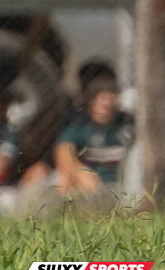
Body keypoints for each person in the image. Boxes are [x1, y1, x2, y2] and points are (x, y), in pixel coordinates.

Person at [52, 61, 132, 201]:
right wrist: (79, 172)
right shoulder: (80, 126)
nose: (106, 104)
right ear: (90, 100)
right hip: (92, 188)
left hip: (126, 186)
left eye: (110, 98)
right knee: (63, 180)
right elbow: (63, 152)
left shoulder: (128, 124)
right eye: (101, 99)